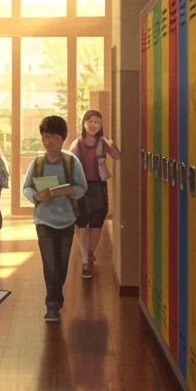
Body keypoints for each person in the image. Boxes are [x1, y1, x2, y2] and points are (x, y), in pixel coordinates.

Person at [22, 116, 88, 322]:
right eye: (46, 137)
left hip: (66, 220)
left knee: (62, 263)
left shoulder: (71, 162)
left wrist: (57, 192)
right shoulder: (37, 163)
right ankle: (52, 305)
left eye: (54, 138)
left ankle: (55, 297)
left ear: (63, 139)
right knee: (49, 263)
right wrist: (36, 196)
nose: (49, 142)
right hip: (43, 220)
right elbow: (26, 188)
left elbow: (81, 187)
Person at [69, 109, 121, 279]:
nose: (93, 125)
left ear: (101, 125)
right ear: (84, 123)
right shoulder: (77, 144)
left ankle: (90, 253)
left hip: (98, 185)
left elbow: (117, 156)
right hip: (81, 187)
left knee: (97, 223)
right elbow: (70, 166)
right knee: (82, 222)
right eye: (90, 121)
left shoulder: (102, 142)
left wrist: (110, 142)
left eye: (97, 122)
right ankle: (85, 260)